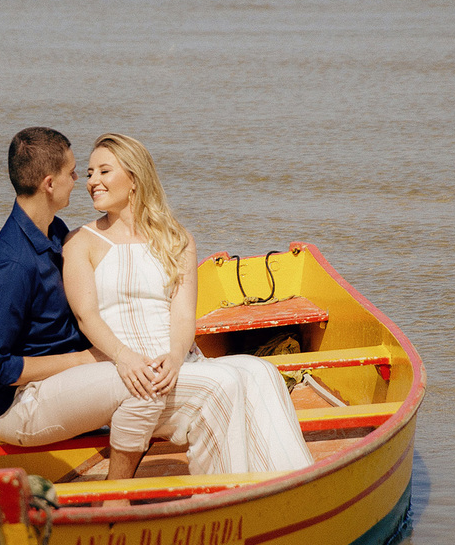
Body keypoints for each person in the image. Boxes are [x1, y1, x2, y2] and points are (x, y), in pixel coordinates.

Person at [0, 126, 248, 482]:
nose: (81, 180)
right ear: (49, 183)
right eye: (74, 172)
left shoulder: (54, 233)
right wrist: (91, 358)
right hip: (18, 407)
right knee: (141, 383)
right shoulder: (11, 265)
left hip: (67, 382)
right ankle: (116, 494)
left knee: (225, 378)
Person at [61, 133, 313, 479]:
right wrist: (125, 357)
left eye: (104, 172)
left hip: (176, 361)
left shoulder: (177, 239)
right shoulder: (80, 242)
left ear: (134, 178)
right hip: (125, 369)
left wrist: (176, 357)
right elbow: (85, 317)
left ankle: (290, 482)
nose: (92, 182)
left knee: (263, 372)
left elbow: (182, 315)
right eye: (89, 173)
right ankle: (225, 491)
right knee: (224, 384)